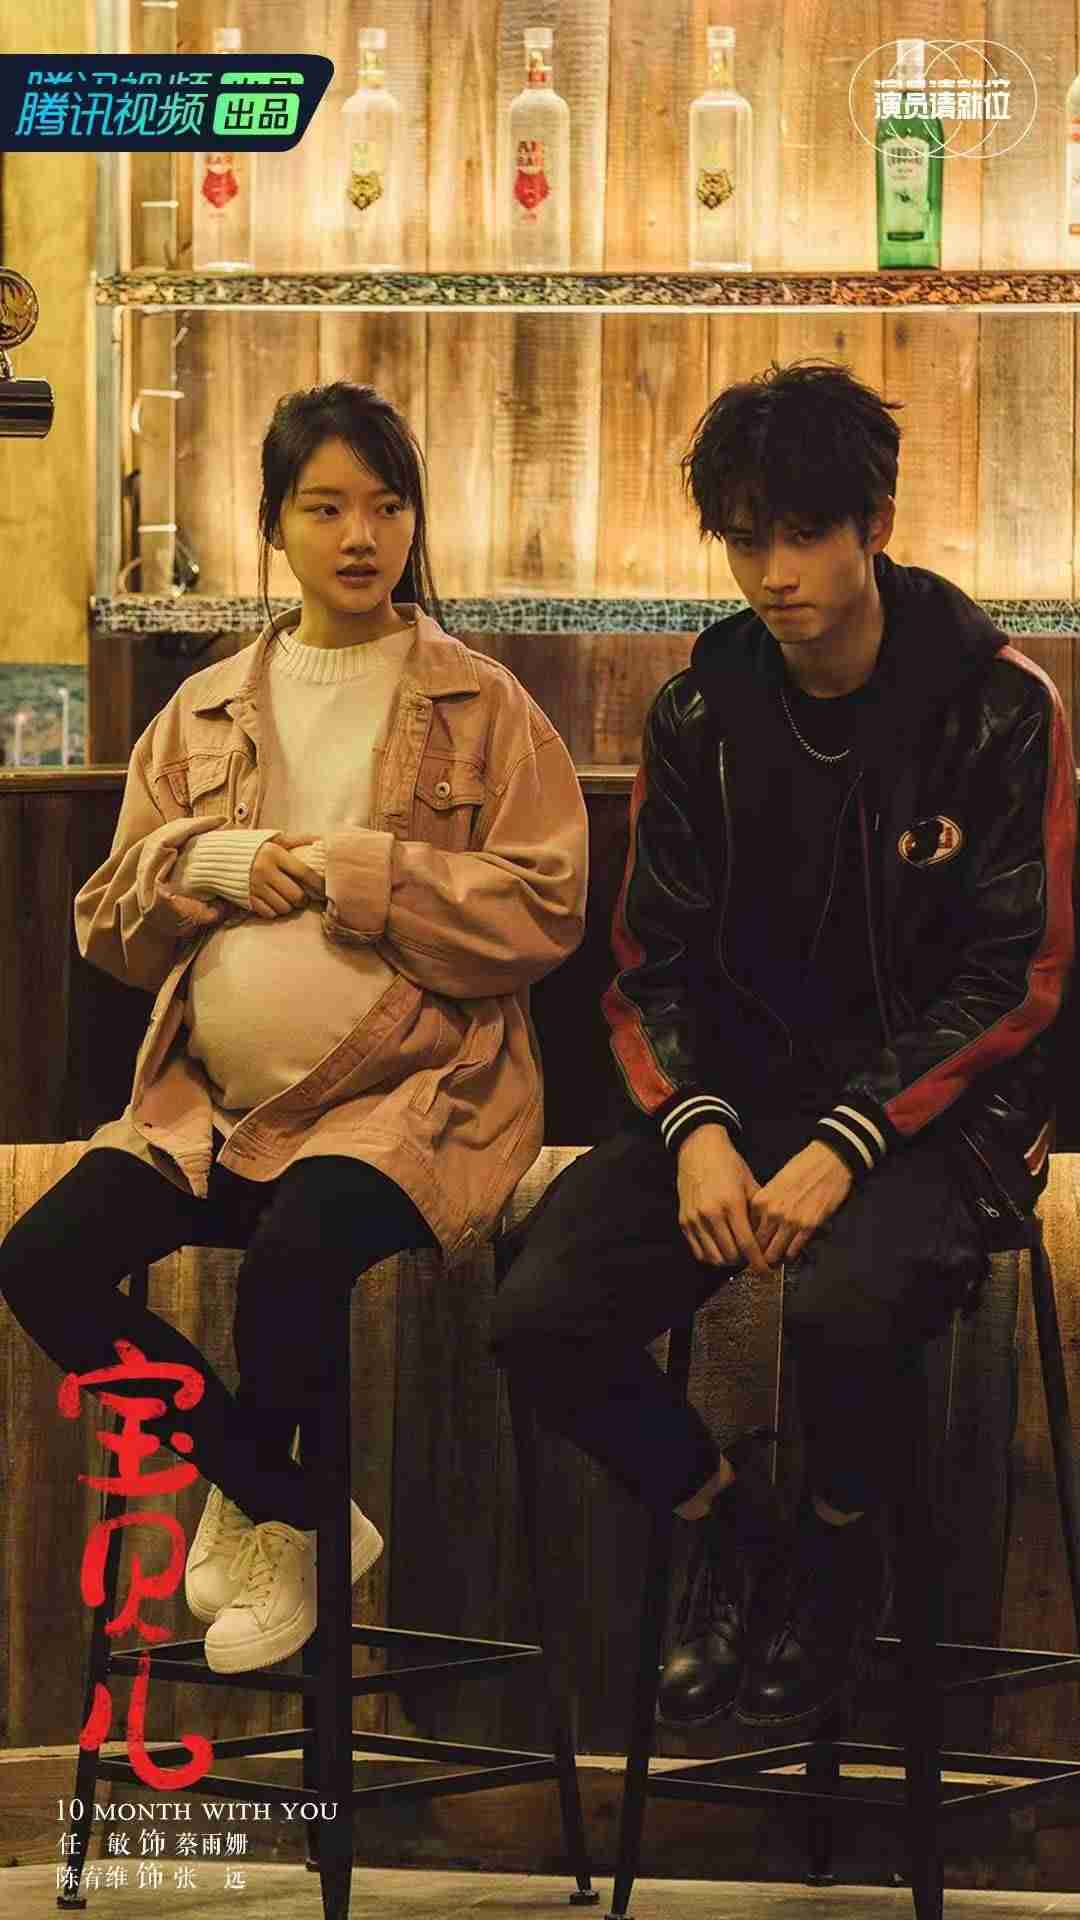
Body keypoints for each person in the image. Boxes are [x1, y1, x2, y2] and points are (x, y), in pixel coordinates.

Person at [490, 359, 1076, 1733]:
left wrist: (850, 1140)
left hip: (947, 1120)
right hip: (740, 1102)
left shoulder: (1000, 706)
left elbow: (1019, 977)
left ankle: (836, 1543)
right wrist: (695, 1128)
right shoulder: (701, 711)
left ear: (876, 524)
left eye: (804, 533)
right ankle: (731, 1524)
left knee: (840, 1307)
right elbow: (651, 967)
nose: (773, 572)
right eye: (746, 538)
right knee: (538, 1313)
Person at [0, 380, 587, 1676]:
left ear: (414, 519)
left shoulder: (485, 705)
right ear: (274, 524)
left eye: (386, 505)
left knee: (296, 1254)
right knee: (40, 1261)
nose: (360, 535)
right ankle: (287, 1499)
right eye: (325, 508)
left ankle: (264, 1503)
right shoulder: (203, 707)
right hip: (207, 1111)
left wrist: (368, 873)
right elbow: (107, 921)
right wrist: (205, 866)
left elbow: (547, 909)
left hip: (412, 1101)